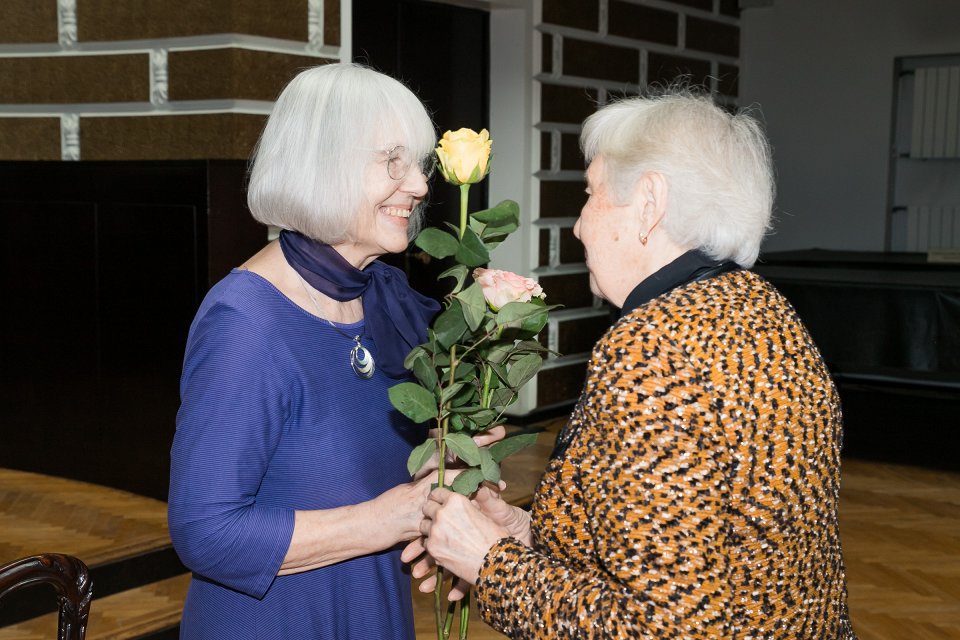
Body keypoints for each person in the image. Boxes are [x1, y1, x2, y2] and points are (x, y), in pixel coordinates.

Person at [409, 90, 858, 638]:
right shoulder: (766, 309)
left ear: (649, 203)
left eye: (591, 194)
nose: (577, 226)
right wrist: (520, 534)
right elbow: (696, 551)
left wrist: (489, 561)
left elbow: (656, 625)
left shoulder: (652, 349)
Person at [168, 63, 491, 639]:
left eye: (418, 164)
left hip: (372, 611)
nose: (418, 185)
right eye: (393, 162)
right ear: (325, 167)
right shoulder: (246, 320)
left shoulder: (388, 299)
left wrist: (453, 463)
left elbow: (396, 455)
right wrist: (386, 518)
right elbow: (206, 533)